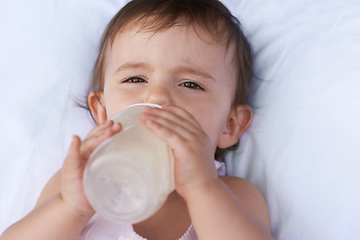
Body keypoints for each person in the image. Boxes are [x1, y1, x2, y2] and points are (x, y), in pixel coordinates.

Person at [0, 0, 273, 239]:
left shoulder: (234, 196)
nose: (157, 96)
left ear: (230, 125)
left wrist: (203, 189)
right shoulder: (77, 185)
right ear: (103, 112)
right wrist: (71, 208)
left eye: (191, 84)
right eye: (135, 79)